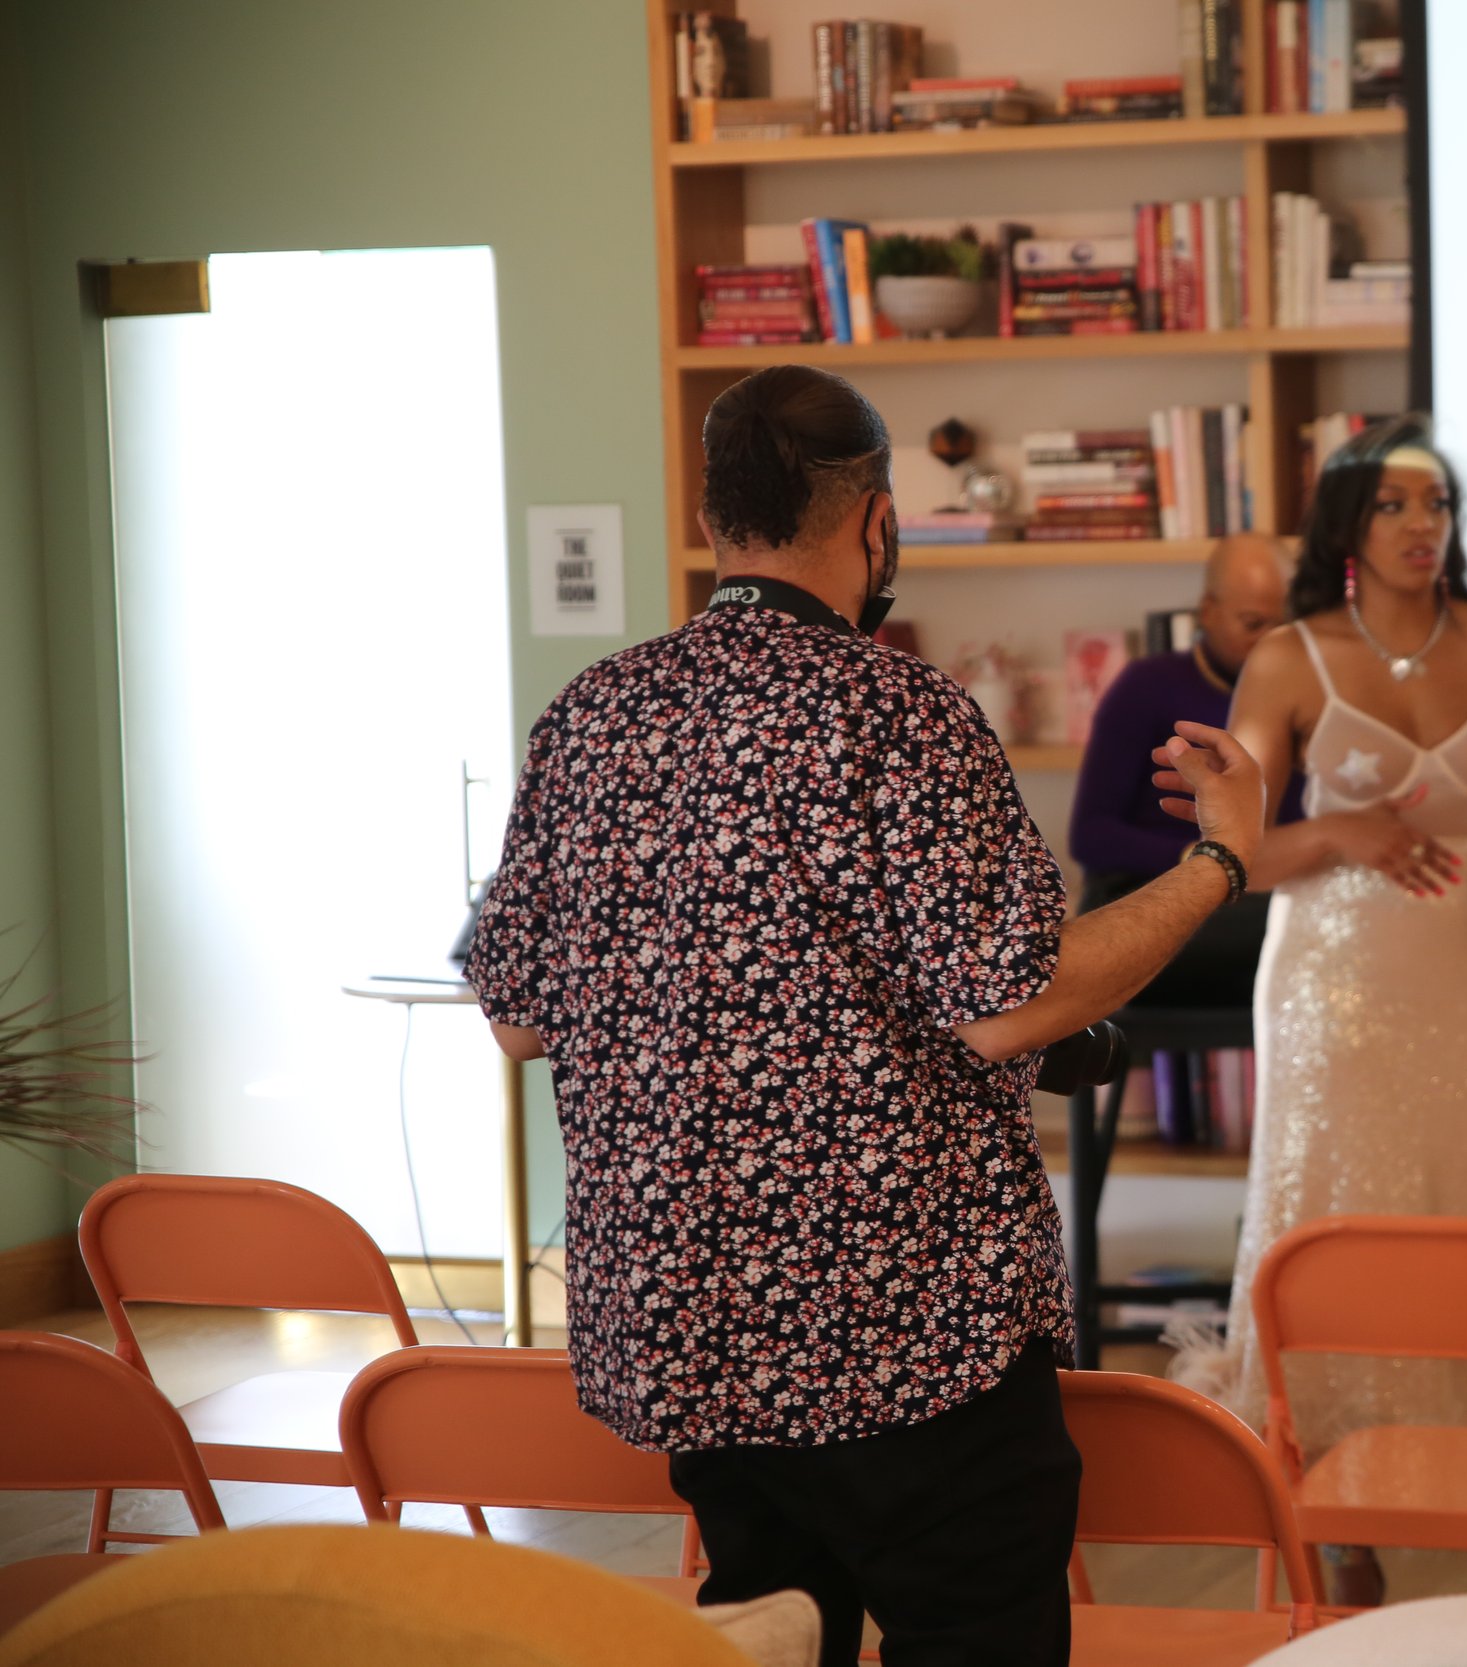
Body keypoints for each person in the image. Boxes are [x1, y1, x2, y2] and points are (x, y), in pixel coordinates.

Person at [462, 365, 1265, 1667]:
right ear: (879, 521)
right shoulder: (899, 711)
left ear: (714, 520)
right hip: (904, 1327)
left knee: (775, 1633)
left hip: (687, 1318)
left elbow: (516, 1018)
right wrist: (1220, 859)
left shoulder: (590, 715)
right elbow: (1010, 1004)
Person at [1164, 416, 1467, 1602]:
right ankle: (1342, 1523)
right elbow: (1230, 854)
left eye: (1436, 504)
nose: (1420, 525)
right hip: (1338, 990)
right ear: (1347, 523)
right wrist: (1336, 828)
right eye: (1392, 506)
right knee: (1348, 1217)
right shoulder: (1289, 659)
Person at [1069, 533, 1302, 1006]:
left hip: (1264, 890)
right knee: (1300, 933)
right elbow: (1090, 836)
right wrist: (1206, 859)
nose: (1271, 641)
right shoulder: (1145, 686)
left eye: (1285, 625)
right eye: (1253, 624)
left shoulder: (1302, 691)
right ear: (1208, 612)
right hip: (1151, 896)